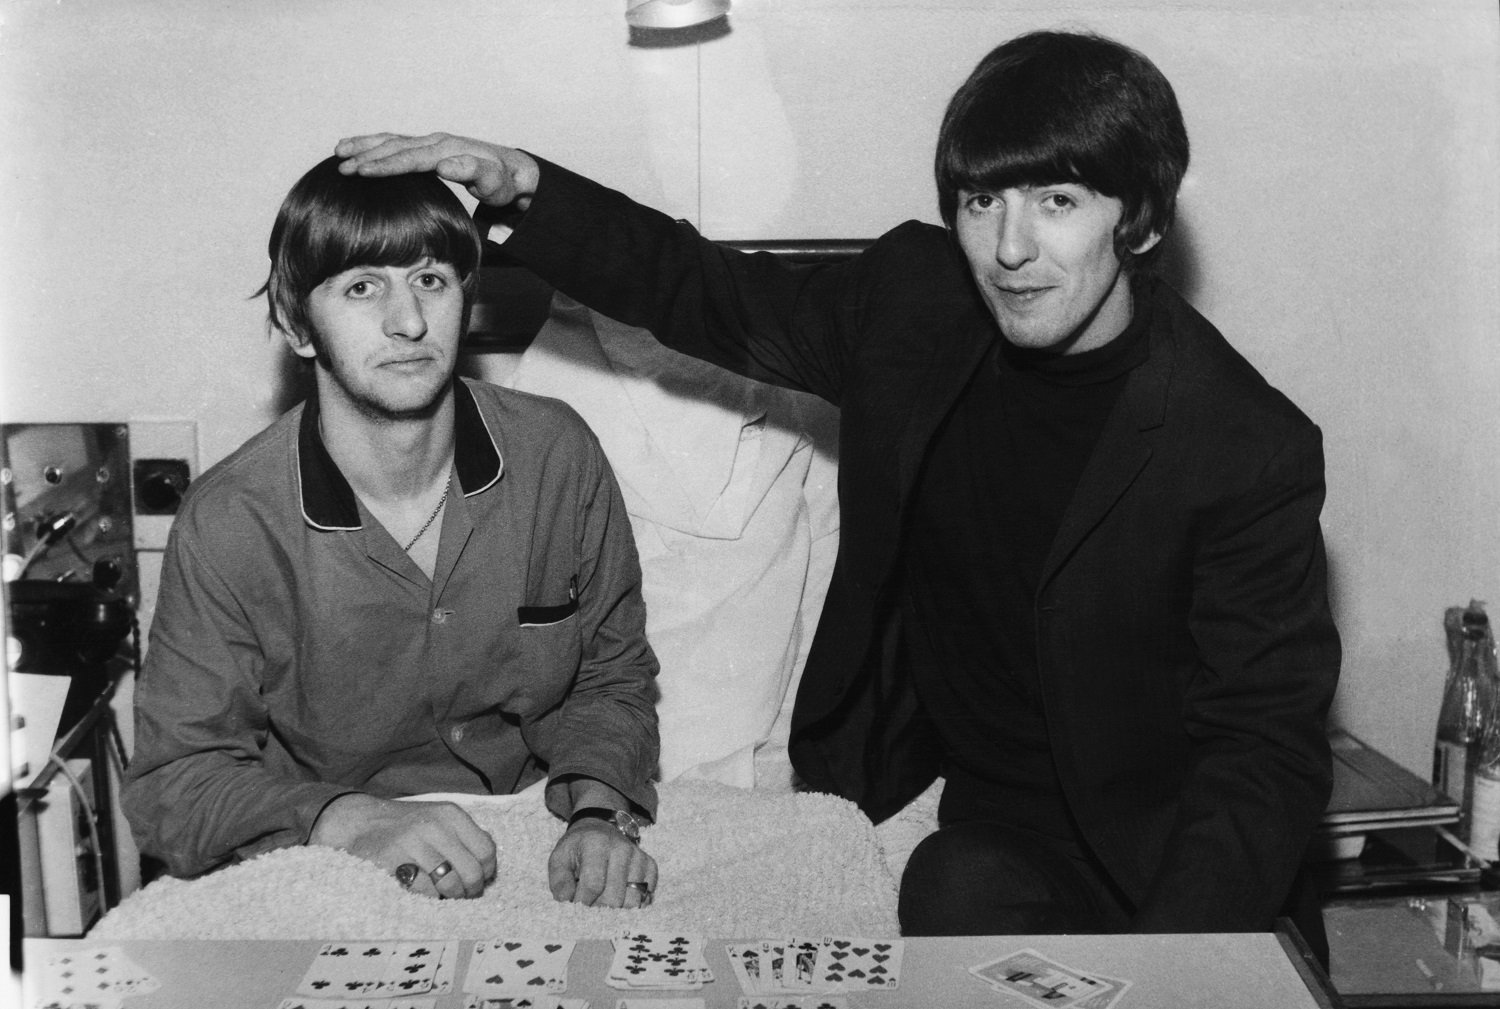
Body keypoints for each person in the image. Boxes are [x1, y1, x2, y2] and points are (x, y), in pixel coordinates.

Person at [336, 28, 1340, 943]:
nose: (1011, 247)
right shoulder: (917, 302)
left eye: (1059, 201)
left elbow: (1261, 754)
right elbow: (705, 290)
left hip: (1173, 847)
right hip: (1001, 835)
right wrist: (523, 189)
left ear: (1145, 222)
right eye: (983, 199)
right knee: (948, 887)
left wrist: (1174, 969)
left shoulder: (1243, 446)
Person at [124, 157, 662, 908]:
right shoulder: (230, 522)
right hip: (326, 855)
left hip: (535, 837)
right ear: (296, 324)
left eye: (431, 280)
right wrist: (343, 820)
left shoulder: (556, 456)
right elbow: (173, 782)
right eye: (361, 287)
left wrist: (602, 810)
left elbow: (613, 674)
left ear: (464, 303)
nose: (408, 321)